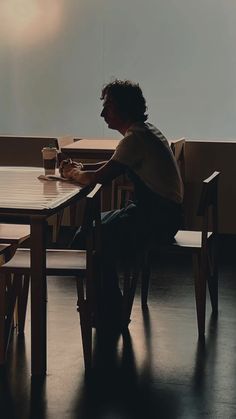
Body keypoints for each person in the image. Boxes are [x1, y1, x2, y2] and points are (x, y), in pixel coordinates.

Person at [59, 79, 184, 330]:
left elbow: (98, 179)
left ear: (123, 108)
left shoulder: (134, 139)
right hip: (163, 214)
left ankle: (106, 312)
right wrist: (80, 169)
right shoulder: (144, 131)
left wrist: (73, 173)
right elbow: (111, 166)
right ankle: (107, 309)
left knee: (91, 238)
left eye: (108, 106)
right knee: (90, 233)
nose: (103, 112)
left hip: (155, 219)